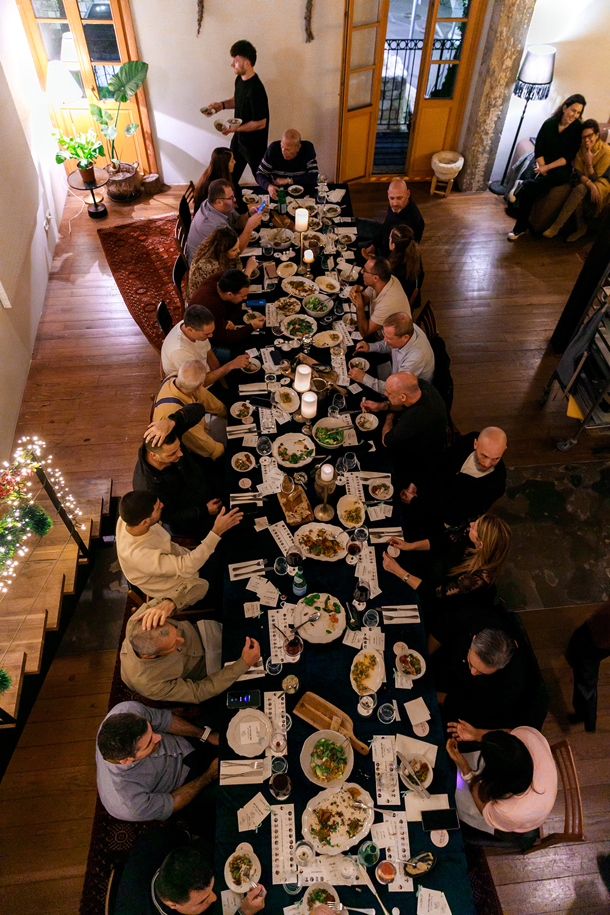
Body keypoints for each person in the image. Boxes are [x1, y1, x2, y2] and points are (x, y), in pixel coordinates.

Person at [121, 596, 261, 704]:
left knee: (256, 622)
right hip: (206, 669)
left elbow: (201, 585)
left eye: (176, 632)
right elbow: (198, 692)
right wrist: (243, 664)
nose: (182, 641)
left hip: (204, 632)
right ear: (150, 656)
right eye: (173, 645)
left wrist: (170, 602)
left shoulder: (141, 619)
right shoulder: (149, 684)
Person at [96, 700, 219, 822]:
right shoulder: (128, 804)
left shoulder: (128, 710)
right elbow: (171, 803)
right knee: (227, 790)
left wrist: (206, 735)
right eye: (150, 741)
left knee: (224, 714)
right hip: (184, 783)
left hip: (182, 738)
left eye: (151, 730)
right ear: (126, 760)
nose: (158, 737)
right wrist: (208, 776)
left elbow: (164, 721)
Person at [116, 490, 242, 605]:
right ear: (145, 522)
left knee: (228, 551)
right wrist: (216, 531)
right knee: (232, 583)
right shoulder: (141, 556)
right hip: (181, 584)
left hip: (179, 559)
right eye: (157, 507)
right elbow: (186, 566)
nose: (162, 505)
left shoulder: (127, 518)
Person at [114, 829, 267, 915]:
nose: (214, 898)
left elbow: (192, 838)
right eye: (202, 900)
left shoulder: (155, 840)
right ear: (172, 904)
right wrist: (244, 912)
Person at [382, 513, 511, 615]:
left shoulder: (476, 579)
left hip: (439, 602)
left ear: (480, 544)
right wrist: (410, 546)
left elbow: (434, 594)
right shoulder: (469, 534)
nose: (471, 524)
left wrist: (399, 572)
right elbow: (443, 540)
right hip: (432, 572)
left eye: (474, 527)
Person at [447, 728, 557, 845]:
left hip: (516, 823)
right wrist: (477, 734)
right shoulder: (528, 736)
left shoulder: (510, 812)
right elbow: (509, 734)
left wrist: (466, 770)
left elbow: (484, 809)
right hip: (539, 799)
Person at [133, 404, 224, 538]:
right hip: (194, 516)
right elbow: (168, 516)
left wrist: (172, 421)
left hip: (205, 482)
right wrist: (204, 510)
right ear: (154, 456)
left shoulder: (168, 436)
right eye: (172, 453)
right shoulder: (147, 486)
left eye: (179, 448)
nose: (180, 454)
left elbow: (199, 409)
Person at [507, 93, 586, 241]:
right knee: (531, 188)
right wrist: (541, 165)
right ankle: (519, 229)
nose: (575, 115)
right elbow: (539, 147)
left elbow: (567, 157)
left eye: (578, 113)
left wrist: (547, 168)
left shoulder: (577, 129)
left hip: (559, 165)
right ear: (565, 107)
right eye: (573, 110)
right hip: (542, 161)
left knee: (561, 176)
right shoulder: (549, 123)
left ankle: (523, 185)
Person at [404, 427, 508, 530]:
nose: (487, 464)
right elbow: (442, 459)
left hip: (436, 519)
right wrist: (415, 482)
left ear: (504, 450)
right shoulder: (468, 440)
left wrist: (415, 502)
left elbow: (455, 512)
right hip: (425, 490)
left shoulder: (496, 486)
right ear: (475, 444)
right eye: (484, 456)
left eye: (496, 458)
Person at [433, 627, 534, 730]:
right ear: (474, 638)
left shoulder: (509, 685)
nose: (473, 672)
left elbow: (475, 708)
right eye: (471, 663)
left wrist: (435, 697)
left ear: (501, 667)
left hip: (473, 707)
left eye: (481, 672)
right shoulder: (470, 627)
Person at [361, 371, 447, 492]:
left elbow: (386, 441)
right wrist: (382, 406)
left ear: (402, 397)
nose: (385, 394)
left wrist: (389, 417)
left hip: (418, 460)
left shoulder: (415, 417)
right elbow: (404, 404)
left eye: (389, 393)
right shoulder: (422, 385)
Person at [206, 40, 269, 186]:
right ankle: (231, 199)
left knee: (263, 179)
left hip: (254, 145)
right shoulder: (239, 80)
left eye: (236, 61)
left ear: (247, 63)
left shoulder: (256, 89)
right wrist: (221, 105)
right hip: (239, 140)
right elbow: (238, 100)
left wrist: (235, 128)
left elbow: (261, 123)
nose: (232, 64)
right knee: (229, 176)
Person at [543, 119, 610, 242]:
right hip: (587, 182)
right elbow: (578, 172)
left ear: (597, 135)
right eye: (583, 137)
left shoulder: (606, 151)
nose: (586, 140)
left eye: (590, 136)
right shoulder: (581, 148)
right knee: (580, 189)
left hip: (602, 184)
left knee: (580, 189)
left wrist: (589, 164)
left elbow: (596, 178)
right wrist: (590, 185)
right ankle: (580, 228)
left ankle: (556, 227)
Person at [152, 361, 228, 462]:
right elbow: (201, 443)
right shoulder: (175, 412)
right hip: (183, 452)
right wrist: (223, 452)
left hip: (201, 426)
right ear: (201, 385)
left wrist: (225, 412)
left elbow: (207, 399)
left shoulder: (174, 379)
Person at [349, 312, 434, 393]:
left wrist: (364, 378)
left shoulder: (415, 359)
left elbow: (395, 389)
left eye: (388, 338)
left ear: (405, 337)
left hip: (406, 392)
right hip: (394, 373)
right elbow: (388, 344)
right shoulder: (408, 328)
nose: (384, 340)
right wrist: (370, 347)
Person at [161, 304, 251, 381]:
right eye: (207, 334)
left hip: (204, 371)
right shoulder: (179, 351)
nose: (211, 336)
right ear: (190, 330)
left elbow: (210, 354)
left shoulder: (192, 326)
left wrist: (222, 381)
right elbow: (198, 383)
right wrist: (230, 365)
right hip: (193, 387)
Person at [187, 179, 263, 264]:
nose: (234, 199)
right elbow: (236, 252)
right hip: (205, 265)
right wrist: (249, 227)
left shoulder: (216, 204)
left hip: (218, 253)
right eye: (231, 197)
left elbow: (237, 222)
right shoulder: (214, 225)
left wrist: (248, 215)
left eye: (233, 196)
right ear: (219, 202)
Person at [189, 268, 265, 348]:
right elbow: (223, 338)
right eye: (243, 296)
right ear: (229, 294)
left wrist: (229, 320)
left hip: (219, 324)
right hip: (204, 341)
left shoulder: (223, 277)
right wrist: (252, 327)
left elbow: (236, 306)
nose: (245, 298)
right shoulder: (212, 306)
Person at [566, 599, 610, 732]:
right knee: (583, 671)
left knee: (585, 679)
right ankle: (586, 717)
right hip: (595, 634)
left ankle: (587, 718)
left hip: (596, 638)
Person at [358, 178, 425, 256]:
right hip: (382, 243)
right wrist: (373, 245)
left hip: (389, 255)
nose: (395, 203)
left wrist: (375, 260)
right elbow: (386, 225)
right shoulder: (396, 206)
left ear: (408, 194)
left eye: (399, 198)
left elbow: (402, 256)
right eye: (392, 198)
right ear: (388, 194)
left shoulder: (414, 222)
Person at [349, 257, 411, 340]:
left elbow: (365, 332)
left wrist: (359, 306)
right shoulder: (384, 280)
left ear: (375, 278)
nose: (362, 271)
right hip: (376, 329)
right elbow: (364, 299)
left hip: (387, 342)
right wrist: (357, 293)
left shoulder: (388, 302)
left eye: (365, 270)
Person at [188, 226, 257, 299]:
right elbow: (234, 291)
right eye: (234, 250)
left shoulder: (214, 252)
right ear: (223, 252)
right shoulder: (212, 267)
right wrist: (248, 270)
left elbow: (236, 265)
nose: (238, 251)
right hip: (204, 301)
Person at [256, 129, 318, 199]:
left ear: (298, 147)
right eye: (282, 147)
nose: (283, 152)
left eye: (288, 149)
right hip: (279, 191)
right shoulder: (274, 149)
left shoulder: (307, 149)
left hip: (303, 193)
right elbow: (260, 174)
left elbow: (314, 177)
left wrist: (288, 180)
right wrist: (268, 186)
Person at [193, 147, 237, 213]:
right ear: (224, 164)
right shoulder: (216, 185)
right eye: (232, 160)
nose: (235, 162)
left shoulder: (211, 173)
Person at [388, 224, 424, 301]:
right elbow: (422, 275)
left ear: (393, 245)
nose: (388, 239)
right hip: (411, 297)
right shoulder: (414, 254)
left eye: (390, 238)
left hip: (400, 302)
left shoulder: (397, 268)